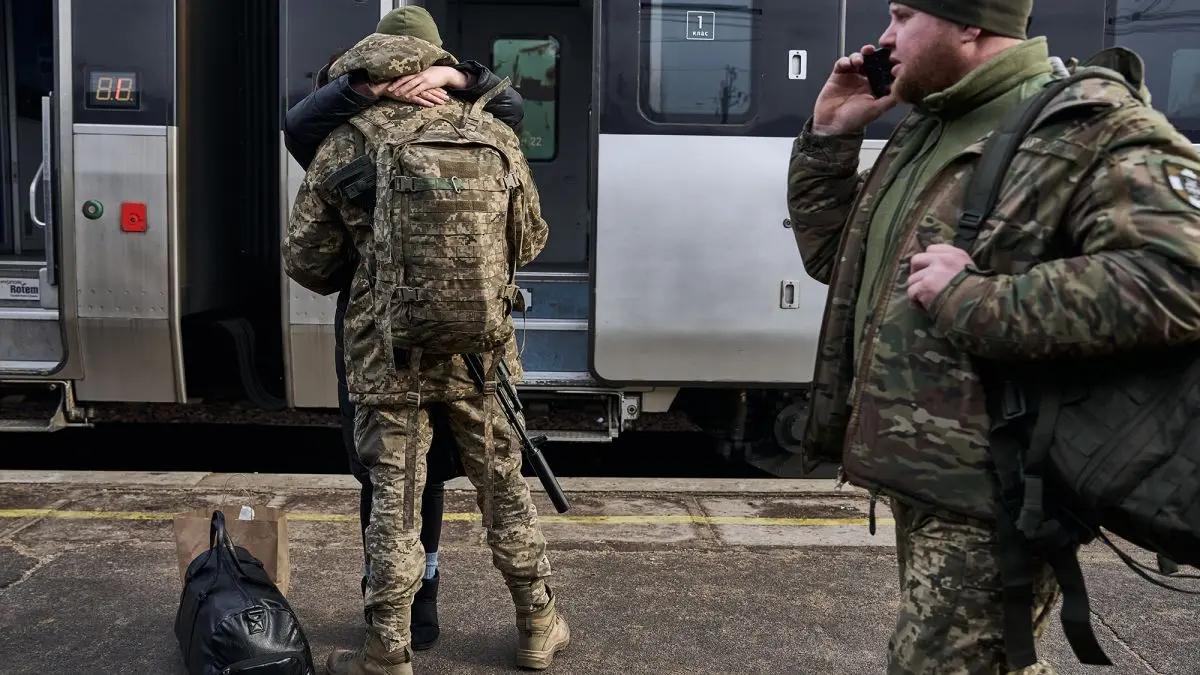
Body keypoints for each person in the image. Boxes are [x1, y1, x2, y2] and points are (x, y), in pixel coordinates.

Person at [787, 1, 1200, 673]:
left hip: (996, 492)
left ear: (970, 24)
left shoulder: (1086, 124)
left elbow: (1180, 279)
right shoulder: (930, 124)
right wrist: (829, 138)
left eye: (901, 15)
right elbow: (840, 260)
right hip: (923, 480)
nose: (884, 38)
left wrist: (971, 298)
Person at [283, 29, 569, 675]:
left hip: (388, 356)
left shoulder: (346, 142)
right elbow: (530, 240)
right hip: (481, 358)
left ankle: (389, 646)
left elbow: (307, 261)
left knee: (394, 500)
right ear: (437, 64)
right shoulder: (492, 134)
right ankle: (537, 623)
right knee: (503, 490)